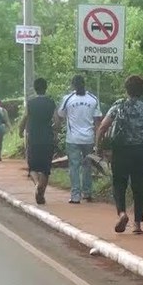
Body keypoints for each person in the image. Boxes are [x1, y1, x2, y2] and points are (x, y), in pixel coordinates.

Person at [95, 75, 143, 235]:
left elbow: (103, 127)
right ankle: (137, 225)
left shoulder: (119, 105)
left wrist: (98, 146)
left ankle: (122, 213)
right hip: (142, 150)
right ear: (142, 90)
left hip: (121, 151)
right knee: (139, 186)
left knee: (119, 183)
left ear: (127, 90)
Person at [57, 74, 102, 204]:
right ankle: (87, 193)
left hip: (73, 138)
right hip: (88, 138)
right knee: (87, 165)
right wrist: (97, 139)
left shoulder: (68, 99)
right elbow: (97, 120)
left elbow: (61, 114)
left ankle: (75, 195)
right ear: (84, 84)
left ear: (73, 85)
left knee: (74, 166)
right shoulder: (93, 99)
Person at [18, 78, 58, 205]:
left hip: (34, 138)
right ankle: (41, 191)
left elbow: (25, 118)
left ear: (35, 88)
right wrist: (54, 132)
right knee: (46, 169)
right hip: (47, 138)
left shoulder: (31, 103)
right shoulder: (51, 103)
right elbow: (57, 121)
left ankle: (37, 185)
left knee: (33, 168)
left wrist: (20, 130)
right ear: (46, 88)